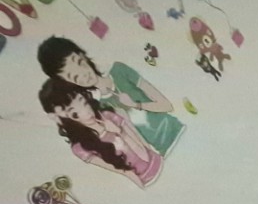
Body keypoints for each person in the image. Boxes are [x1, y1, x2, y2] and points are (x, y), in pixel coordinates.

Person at [36, 35, 184, 155]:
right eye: (73, 76)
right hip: (163, 153)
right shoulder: (96, 108)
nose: (84, 75)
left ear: (82, 55)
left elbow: (166, 105)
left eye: (79, 63)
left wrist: (135, 104)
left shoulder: (119, 71)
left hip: (177, 131)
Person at [38, 78, 163, 188]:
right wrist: (141, 187)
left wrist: (120, 132)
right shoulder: (80, 148)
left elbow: (144, 149)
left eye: (83, 102)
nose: (87, 113)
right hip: (143, 182)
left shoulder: (109, 116)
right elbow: (121, 172)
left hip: (156, 162)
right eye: (75, 113)